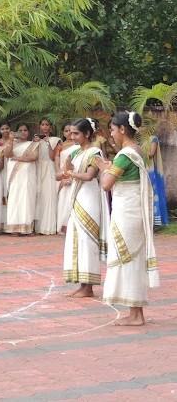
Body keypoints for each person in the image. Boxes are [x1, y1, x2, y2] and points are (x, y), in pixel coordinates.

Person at [96, 112, 159, 326]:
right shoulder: (137, 151)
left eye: (113, 130)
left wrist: (104, 169)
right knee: (131, 258)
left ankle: (137, 315)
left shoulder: (125, 155)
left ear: (123, 129)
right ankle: (135, 311)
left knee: (128, 258)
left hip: (127, 212)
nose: (112, 135)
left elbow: (106, 184)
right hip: (131, 210)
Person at [61, 118, 106, 298]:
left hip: (89, 199)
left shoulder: (94, 152)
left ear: (87, 133)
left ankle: (89, 287)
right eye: (71, 133)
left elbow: (88, 176)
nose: (72, 137)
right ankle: (82, 284)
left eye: (76, 133)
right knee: (76, 239)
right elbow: (67, 173)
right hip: (77, 197)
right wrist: (68, 169)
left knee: (87, 241)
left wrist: (71, 172)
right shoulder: (77, 153)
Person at [4, 124, 39, 235]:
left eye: (25, 130)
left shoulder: (33, 144)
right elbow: (8, 154)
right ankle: (13, 227)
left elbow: (34, 157)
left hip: (27, 173)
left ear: (29, 132)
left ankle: (26, 227)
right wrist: (10, 139)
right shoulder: (11, 142)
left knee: (27, 198)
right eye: (20, 130)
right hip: (14, 175)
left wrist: (17, 158)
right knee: (14, 197)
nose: (23, 132)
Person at [35, 118, 61, 235]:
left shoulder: (55, 140)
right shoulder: (35, 140)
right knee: (39, 197)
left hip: (49, 168)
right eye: (43, 124)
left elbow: (52, 157)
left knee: (49, 195)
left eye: (47, 125)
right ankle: (38, 226)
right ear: (40, 126)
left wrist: (47, 142)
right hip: (38, 168)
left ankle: (49, 226)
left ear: (51, 127)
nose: (45, 127)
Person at [142, 133, 170, 226]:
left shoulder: (152, 139)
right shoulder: (138, 140)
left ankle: (156, 221)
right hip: (142, 170)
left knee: (153, 194)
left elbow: (151, 153)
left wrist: (138, 152)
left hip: (151, 170)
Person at [56, 123, 79, 235]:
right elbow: (57, 164)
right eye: (66, 131)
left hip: (75, 175)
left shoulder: (79, 146)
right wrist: (61, 177)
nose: (69, 133)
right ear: (63, 133)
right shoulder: (60, 146)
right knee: (63, 201)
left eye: (72, 131)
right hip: (63, 175)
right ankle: (63, 226)